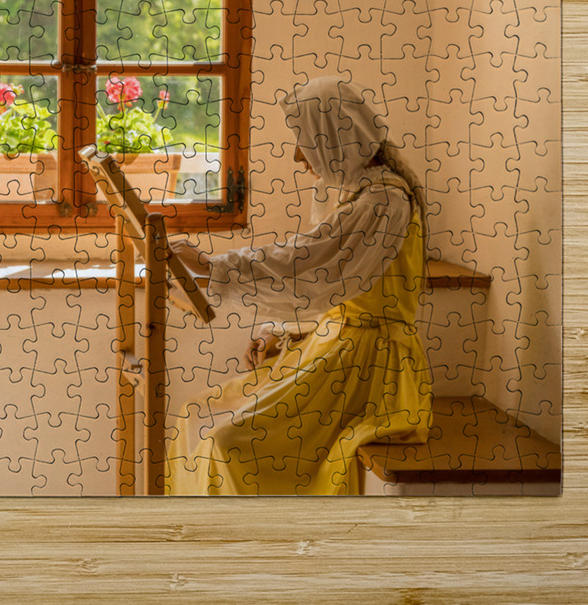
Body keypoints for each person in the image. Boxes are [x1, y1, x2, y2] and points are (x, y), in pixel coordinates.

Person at [166, 76, 433, 495]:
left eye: (304, 141)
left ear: (335, 140)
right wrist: (285, 330)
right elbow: (334, 285)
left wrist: (214, 265)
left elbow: (306, 261)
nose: (296, 156)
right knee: (198, 413)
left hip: (371, 372)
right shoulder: (364, 194)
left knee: (226, 441)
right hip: (338, 348)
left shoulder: (383, 201)